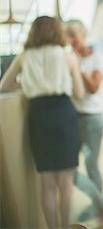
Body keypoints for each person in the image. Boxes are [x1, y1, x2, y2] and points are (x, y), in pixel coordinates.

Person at [0, 16, 85, 229]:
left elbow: (4, 86)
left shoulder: (24, 57)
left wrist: (29, 87)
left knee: (46, 182)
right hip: (64, 115)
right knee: (66, 183)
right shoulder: (67, 57)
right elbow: (80, 93)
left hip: (39, 116)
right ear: (57, 32)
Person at [64, 20, 103, 220]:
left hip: (92, 120)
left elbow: (94, 87)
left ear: (82, 35)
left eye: (73, 35)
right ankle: (101, 204)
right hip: (72, 119)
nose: (70, 40)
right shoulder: (67, 58)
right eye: (67, 36)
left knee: (91, 164)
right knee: (69, 168)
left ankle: (99, 208)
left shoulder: (95, 58)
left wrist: (79, 68)